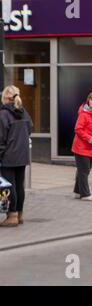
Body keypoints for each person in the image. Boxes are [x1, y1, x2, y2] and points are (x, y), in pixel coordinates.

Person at [0, 85, 33, 227]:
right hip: (23, 155)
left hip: (8, 156)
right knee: (19, 186)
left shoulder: (3, 114)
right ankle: (19, 214)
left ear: (5, 98)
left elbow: (1, 138)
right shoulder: (24, 112)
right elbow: (29, 129)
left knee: (8, 186)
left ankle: (11, 215)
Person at [72, 91, 92, 201]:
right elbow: (78, 129)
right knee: (84, 170)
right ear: (88, 100)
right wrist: (89, 138)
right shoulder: (84, 114)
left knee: (83, 170)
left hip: (90, 147)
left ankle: (77, 191)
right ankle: (85, 194)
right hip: (81, 147)